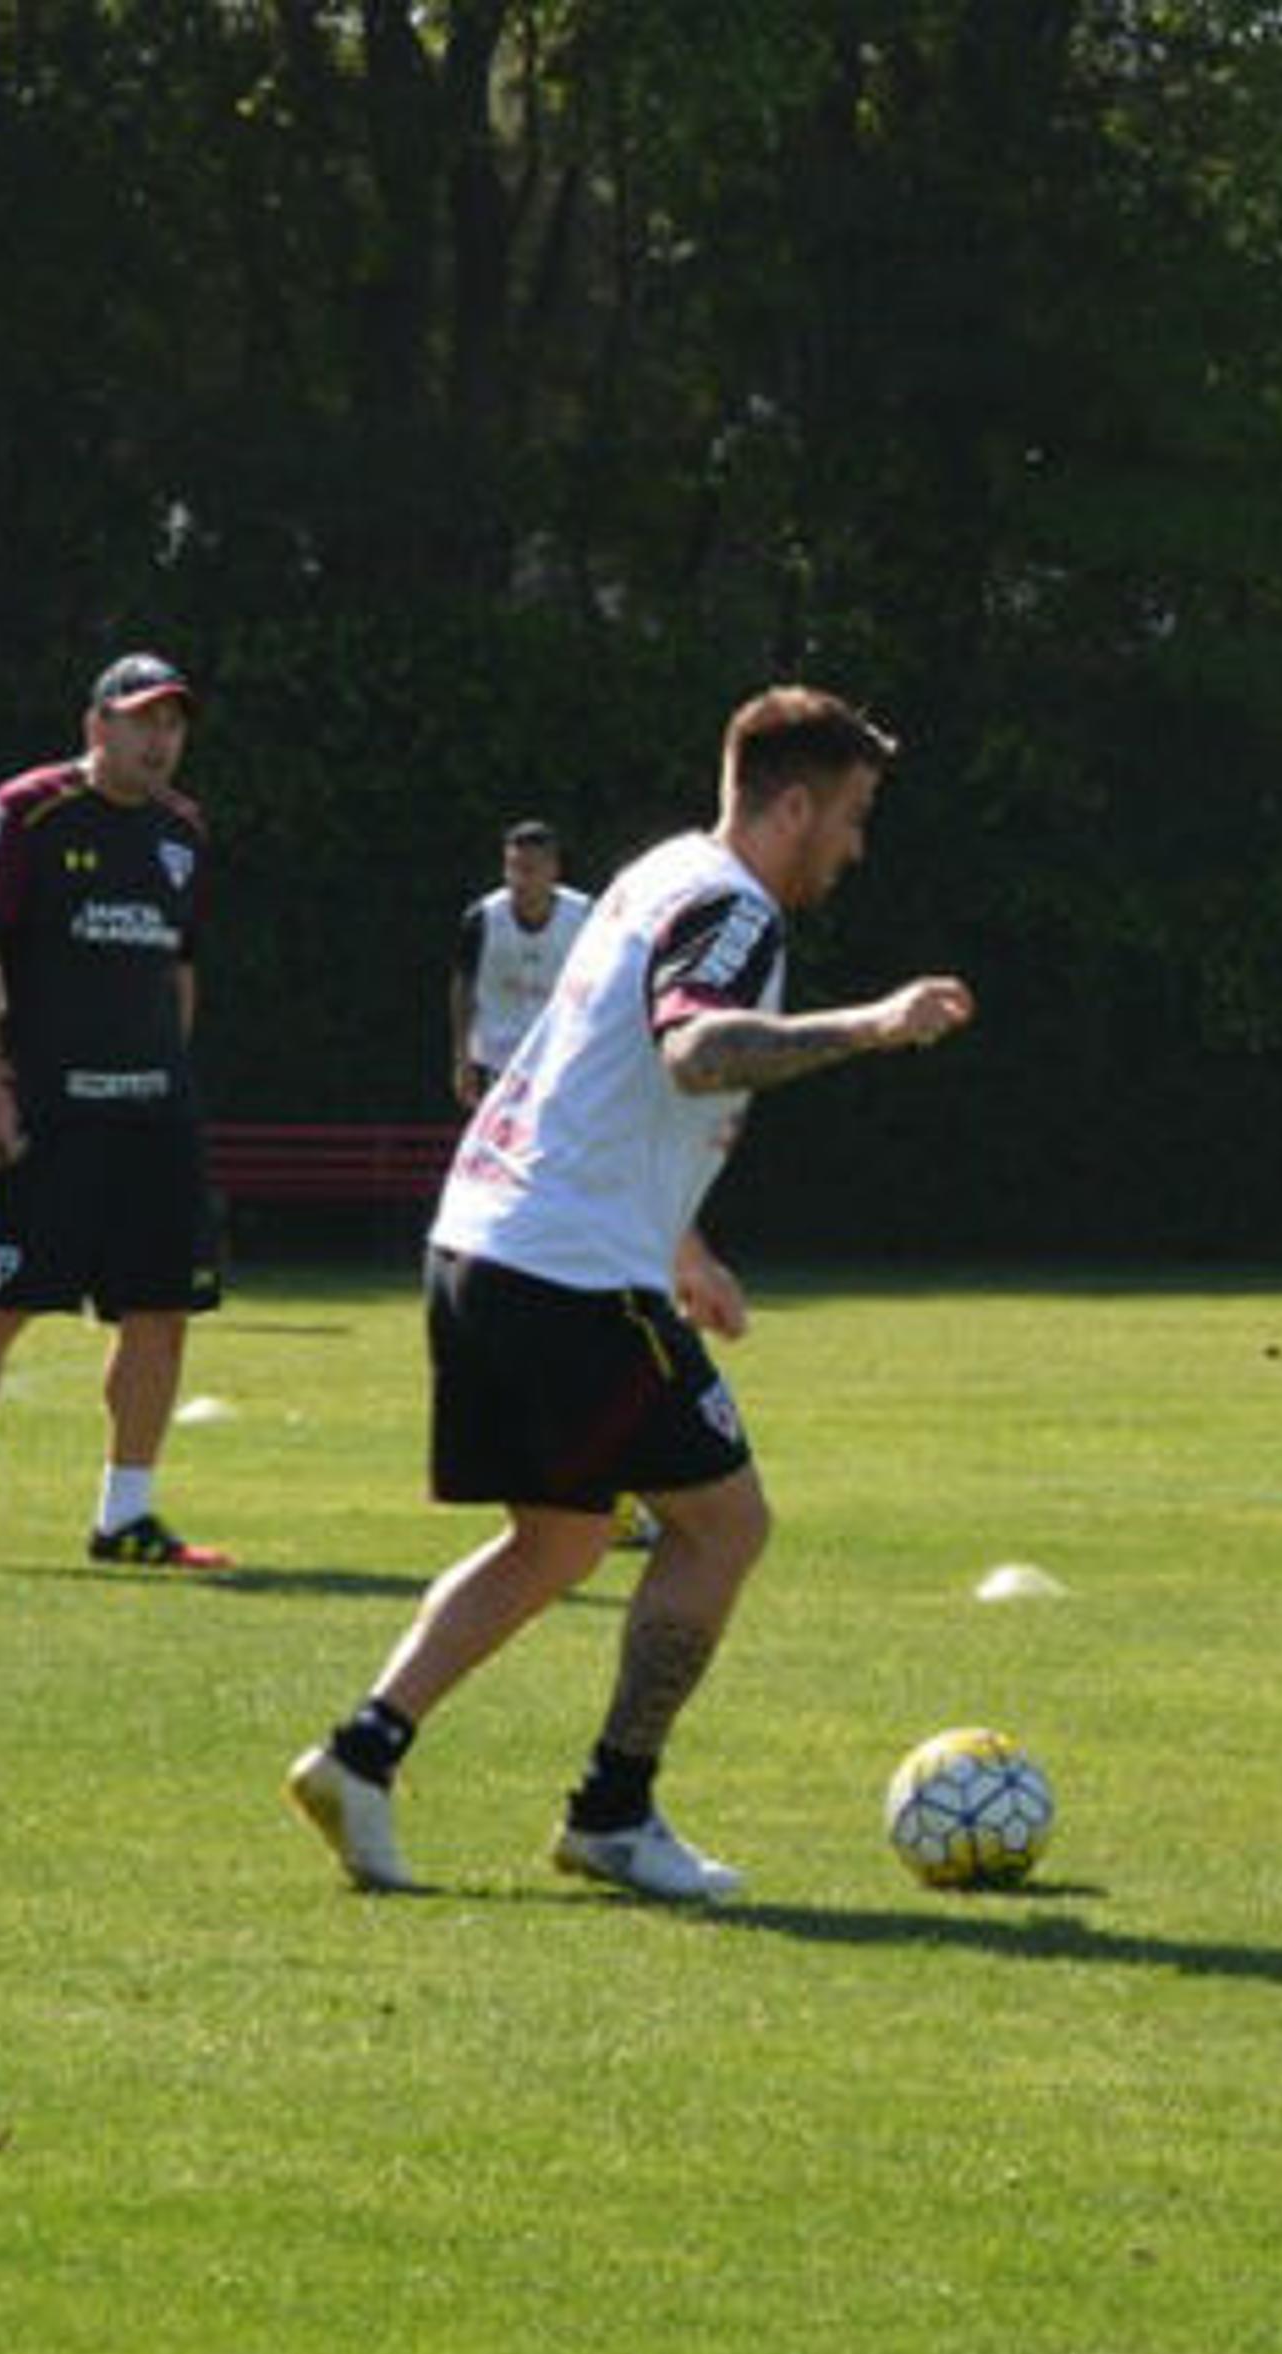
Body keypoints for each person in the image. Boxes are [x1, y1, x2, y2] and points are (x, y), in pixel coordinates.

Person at [282, 686, 976, 1901]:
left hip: (483, 1244)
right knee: (726, 1524)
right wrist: (869, 1025)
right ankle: (614, 1810)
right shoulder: (734, 906)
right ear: (795, 803)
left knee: (559, 1536)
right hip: (565, 1274)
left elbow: (594, 1078)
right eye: (854, 816)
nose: (857, 848)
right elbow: (693, 1051)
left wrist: (683, 1240)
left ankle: (362, 1754)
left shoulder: (659, 872)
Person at [0, 655, 234, 1577]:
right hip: (46, 1115)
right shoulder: (27, 810)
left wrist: (171, 1070)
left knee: (162, 1314)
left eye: (172, 723)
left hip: (152, 1118)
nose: (159, 739)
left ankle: (126, 1516)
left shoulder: (183, 832)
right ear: (97, 729)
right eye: (140, 721)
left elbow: (182, 970)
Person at [449, 818, 592, 1109]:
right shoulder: (482, 919)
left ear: (553, 870)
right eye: (511, 868)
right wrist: (462, 1059)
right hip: (496, 1060)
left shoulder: (585, 916)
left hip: (562, 1056)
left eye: (528, 870)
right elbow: (463, 987)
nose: (517, 880)